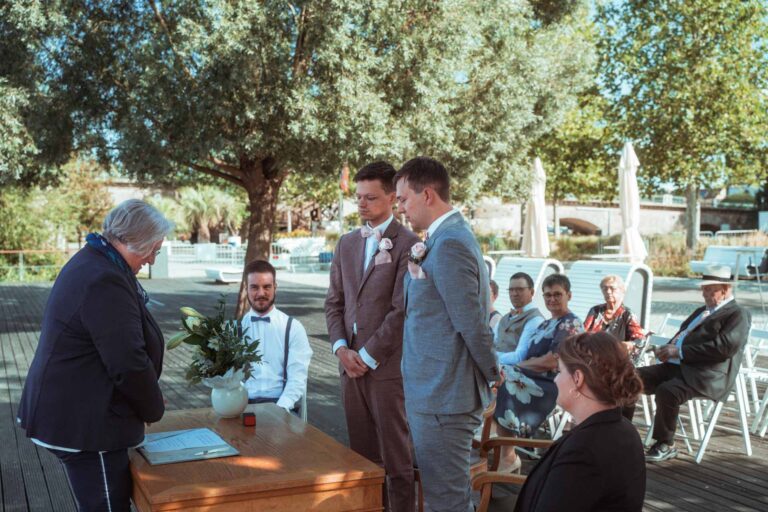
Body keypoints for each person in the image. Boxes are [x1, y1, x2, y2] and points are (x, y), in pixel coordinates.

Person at [17, 199, 172, 511]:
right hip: (86, 424)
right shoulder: (105, 278)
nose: (153, 259)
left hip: (76, 413)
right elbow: (127, 361)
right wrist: (153, 407)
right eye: (154, 249)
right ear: (136, 241)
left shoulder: (97, 260)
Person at [395, 156, 500, 512]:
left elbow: (472, 323)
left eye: (403, 199)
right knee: (444, 497)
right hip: (435, 393)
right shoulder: (441, 239)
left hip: (444, 395)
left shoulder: (451, 243)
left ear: (427, 194)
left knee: (447, 500)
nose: (400, 207)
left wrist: (493, 373)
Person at [324, 161, 419, 512]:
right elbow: (333, 303)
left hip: (387, 371)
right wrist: (340, 350)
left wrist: (366, 356)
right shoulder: (347, 243)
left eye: (371, 197)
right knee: (361, 461)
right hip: (348, 368)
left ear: (393, 198)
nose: (362, 204)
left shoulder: (410, 244)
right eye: (359, 198)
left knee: (397, 462)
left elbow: (402, 310)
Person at [623, 265, 750, 462]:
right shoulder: (702, 311)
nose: (704, 293)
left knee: (668, 391)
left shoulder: (737, 314)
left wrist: (680, 351)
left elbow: (724, 347)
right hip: (678, 367)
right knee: (629, 379)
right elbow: (682, 337)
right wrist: (667, 348)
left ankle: (665, 443)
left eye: (710, 289)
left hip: (708, 375)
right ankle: (620, 433)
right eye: (704, 289)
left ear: (725, 289)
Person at [513, 332, 646, 512]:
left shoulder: (584, 451)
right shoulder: (625, 429)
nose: (555, 379)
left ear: (577, 379)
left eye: (559, 372)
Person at [493, 273, 583, 472]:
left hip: (554, 383)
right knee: (494, 378)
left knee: (506, 382)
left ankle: (507, 456)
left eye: (557, 294)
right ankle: (500, 449)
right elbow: (531, 358)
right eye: (548, 295)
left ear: (569, 295)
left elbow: (554, 360)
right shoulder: (545, 324)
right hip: (534, 377)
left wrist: (521, 367)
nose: (552, 299)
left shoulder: (570, 323)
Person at [241, 260, 313, 413]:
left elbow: (297, 379)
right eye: (254, 287)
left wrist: (279, 410)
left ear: (275, 287)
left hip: (281, 405)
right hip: (241, 405)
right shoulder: (235, 329)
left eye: (267, 287)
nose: (261, 293)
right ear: (246, 289)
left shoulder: (293, 328)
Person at [583, 275, 644, 353]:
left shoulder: (628, 314)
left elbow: (639, 340)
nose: (608, 292)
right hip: (592, 356)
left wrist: (626, 345)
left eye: (612, 288)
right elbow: (582, 333)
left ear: (622, 291)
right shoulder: (595, 310)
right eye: (605, 289)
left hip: (616, 358)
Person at [493, 272, 545, 357]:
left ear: (531, 292)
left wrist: (491, 357)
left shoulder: (535, 320)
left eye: (520, 289)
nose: (514, 294)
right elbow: (492, 344)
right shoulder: (505, 318)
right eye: (511, 290)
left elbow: (519, 357)